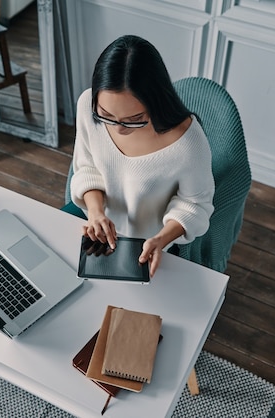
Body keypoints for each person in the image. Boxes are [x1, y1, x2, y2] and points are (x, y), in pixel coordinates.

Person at [69, 35, 215, 277]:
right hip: (96, 228)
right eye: (106, 115)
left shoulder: (188, 142)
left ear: (156, 102)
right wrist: (96, 213)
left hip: (150, 244)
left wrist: (160, 239)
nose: (118, 128)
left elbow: (195, 204)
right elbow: (87, 168)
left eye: (134, 120)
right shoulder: (87, 104)